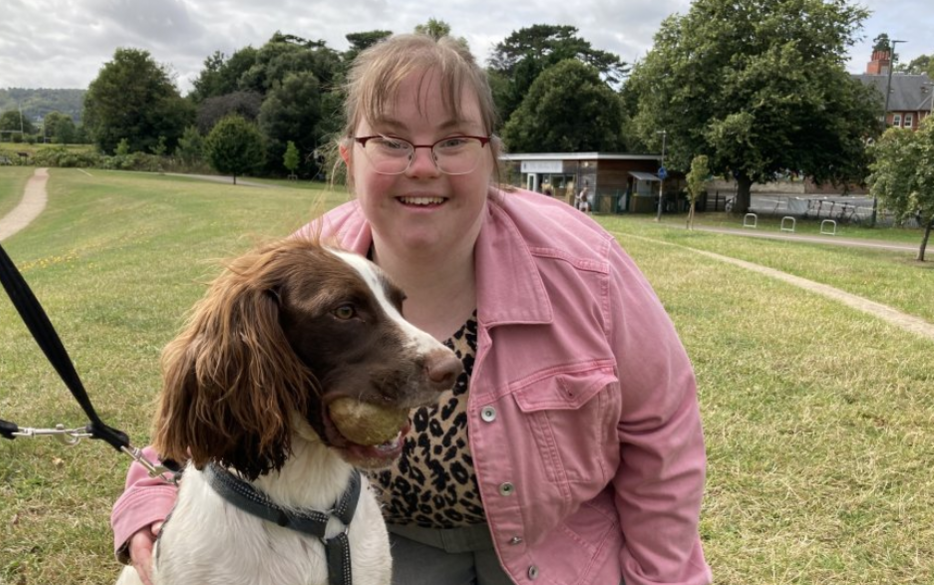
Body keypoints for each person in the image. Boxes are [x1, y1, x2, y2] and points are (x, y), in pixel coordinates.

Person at [112, 33, 712, 585]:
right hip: (392, 543)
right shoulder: (302, 273)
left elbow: (664, 434)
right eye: (391, 141)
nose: (422, 165)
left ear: (490, 157)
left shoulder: (585, 268)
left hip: (558, 549)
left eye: (453, 141)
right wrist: (148, 499)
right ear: (351, 158)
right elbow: (216, 390)